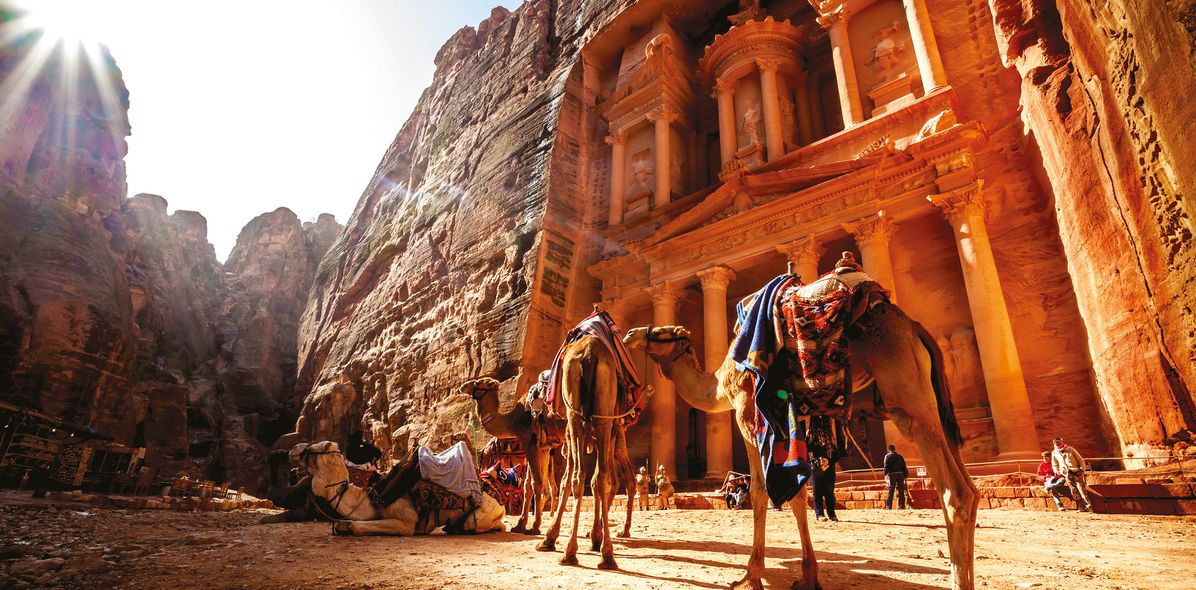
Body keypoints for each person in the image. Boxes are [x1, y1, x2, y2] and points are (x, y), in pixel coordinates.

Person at [1051, 437, 1093, 512]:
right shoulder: (1054, 453)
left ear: (1062, 442)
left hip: (1077, 472)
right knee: (1073, 491)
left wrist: (1081, 470)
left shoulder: (1070, 449)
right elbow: (1054, 464)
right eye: (1055, 443)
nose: (1056, 444)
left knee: (1081, 489)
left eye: (1058, 442)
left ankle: (1088, 506)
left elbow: (1080, 460)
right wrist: (1057, 471)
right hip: (1066, 474)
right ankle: (1081, 507)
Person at [883, 444, 909, 510]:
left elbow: (886, 466)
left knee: (891, 490)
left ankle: (889, 507)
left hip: (892, 474)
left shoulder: (887, 456)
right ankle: (902, 506)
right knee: (901, 490)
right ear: (894, 449)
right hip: (900, 474)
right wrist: (905, 475)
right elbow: (904, 466)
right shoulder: (900, 456)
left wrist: (885, 474)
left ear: (889, 449)